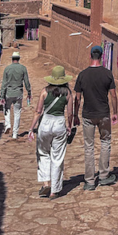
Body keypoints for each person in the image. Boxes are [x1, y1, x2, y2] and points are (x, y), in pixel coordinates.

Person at [74, 45, 118, 191]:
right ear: (101, 57)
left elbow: (78, 98)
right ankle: (104, 176)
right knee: (105, 142)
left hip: (88, 115)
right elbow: (113, 95)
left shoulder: (82, 75)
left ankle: (89, 181)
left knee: (89, 147)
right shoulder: (107, 74)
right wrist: (115, 112)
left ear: (90, 55)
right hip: (103, 113)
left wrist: (75, 114)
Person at [28, 65, 74, 199]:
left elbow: (38, 111)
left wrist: (31, 128)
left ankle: (46, 182)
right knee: (57, 157)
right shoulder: (68, 93)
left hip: (45, 124)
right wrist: (69, 126)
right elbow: (70, 113)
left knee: (43, 153)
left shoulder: (44, 91)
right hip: (59, 123)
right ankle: (55, 189)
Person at [1, 51, 31, 139]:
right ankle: (15, 134)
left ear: (12, 59)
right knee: (17, 112)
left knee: (6, 109)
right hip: (18, 93)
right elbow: (27, 82)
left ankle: (8, 124)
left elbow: (4, 83)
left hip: (9, 93)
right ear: (18, 59)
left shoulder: (7, 69)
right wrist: (29, 92)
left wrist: (2, 95)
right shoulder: (23, 68)